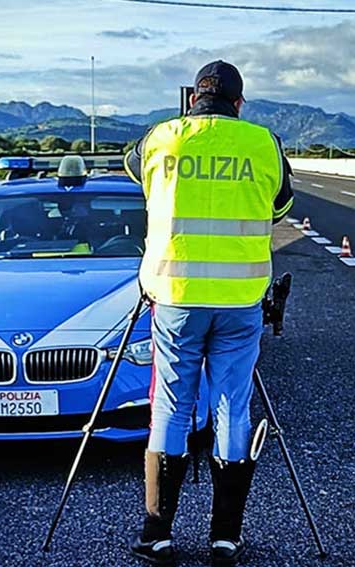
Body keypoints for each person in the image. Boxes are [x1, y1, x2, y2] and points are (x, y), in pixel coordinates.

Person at [124, 60, 294, 566]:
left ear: (193, 99)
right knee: (231, 408)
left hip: (174, 297)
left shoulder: (162, 138)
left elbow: (133, 167)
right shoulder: (264, 143)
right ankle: (225, 539)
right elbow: (281, 206)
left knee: (171, 407)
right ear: (239, 103)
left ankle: (157, 535)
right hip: (240, 302)